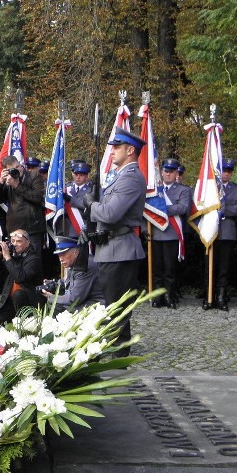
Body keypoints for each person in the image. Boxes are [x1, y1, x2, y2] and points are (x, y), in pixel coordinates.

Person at [83, 127, 147, 355]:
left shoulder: (131, 178)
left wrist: (92, 205)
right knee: (112, 305)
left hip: (120, 249)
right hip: (110, 248)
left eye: (117, 147)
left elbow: (110, 214)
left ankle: (119, 354)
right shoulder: (119, 176)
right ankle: (117, 350)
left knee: (117, 307)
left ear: (130, 150)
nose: (112, 151)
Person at [150, 158, 191, 309]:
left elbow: (182, 208)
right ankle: (157, 296)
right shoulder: (154, 190)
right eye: (165, 171)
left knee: (170, 269)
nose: (168, 174)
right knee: (157, 268)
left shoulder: (183, 190)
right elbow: (145, 211)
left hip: (172, 234)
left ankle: (169, 295)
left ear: (176, 173)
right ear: (161, 172)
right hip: (155, 233)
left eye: (171, 172)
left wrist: (159, 210)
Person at [0, 229, 44, 331]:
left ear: (27, 243)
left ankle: (26, 324)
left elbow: (20, 277)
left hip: (29, 301)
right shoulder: (11, 257)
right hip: (11, 302)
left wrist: (7, 257)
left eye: (19, 241)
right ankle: (14, 324)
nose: (15, 244)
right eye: (13, 241)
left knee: (18, 294)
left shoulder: (33, 259)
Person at [0, 155, 47, 251]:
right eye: (12, 169)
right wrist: (0, 183)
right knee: (16, 261)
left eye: (18, 167)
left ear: (20, 165)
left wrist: (16, 185)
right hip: (14, 228)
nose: (17, 170)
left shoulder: (34, 176)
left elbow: (37, 197)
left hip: (33, 227)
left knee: (33, 261)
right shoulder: (8, 180)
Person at [208, 158, 237, 310]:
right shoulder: (210, 187)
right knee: (209, 266)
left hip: (227, 230)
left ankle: (221, 296)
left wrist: (223, 209)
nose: (226, 174)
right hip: (210, 230)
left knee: (223, 267)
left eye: (229, 171)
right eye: (223, 170)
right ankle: (208, 294)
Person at [41, 236, 104, 312]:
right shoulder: (76, 262)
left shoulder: (85, 266)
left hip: (96, 305)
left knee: (57, 306)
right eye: (59, 255)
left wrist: (51, 297)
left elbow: (74, 299)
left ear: (75, 252)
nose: (60, 259)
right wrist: (54, 284)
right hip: (85, 302)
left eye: (63, 254)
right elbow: (69, 282)